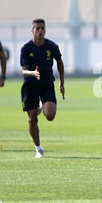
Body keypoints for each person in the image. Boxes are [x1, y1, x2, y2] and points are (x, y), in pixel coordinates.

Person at [20, 19, 65, 158]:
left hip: (46, 84)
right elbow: (24, 71)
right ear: (32, 31)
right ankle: (38, 148)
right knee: (32, 118)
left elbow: (59, 62)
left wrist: (62, 83)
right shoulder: (26, 48)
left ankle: (41, 105)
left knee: (50, 116)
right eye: (37, 28)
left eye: (42, 28)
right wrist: (33, 73)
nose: (40, 31)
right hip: (30, 85)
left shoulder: (52, 46)